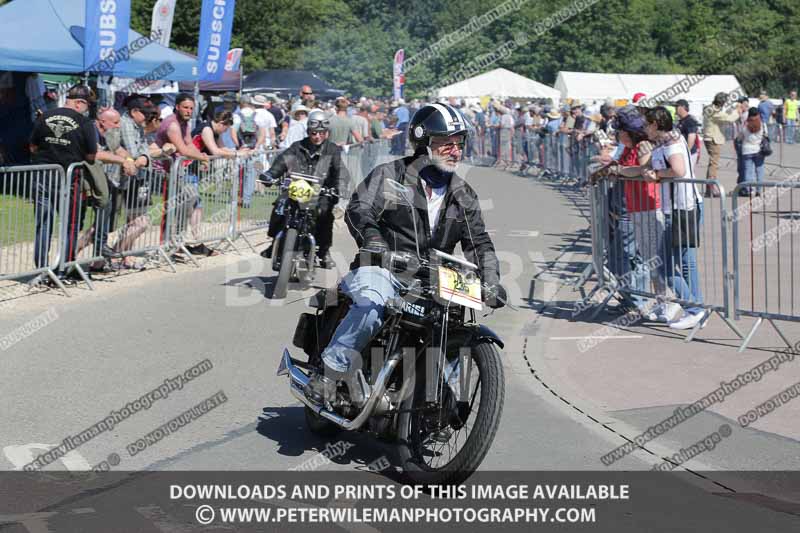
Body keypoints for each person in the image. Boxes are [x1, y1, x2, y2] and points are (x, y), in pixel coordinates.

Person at [304, 102, 507, 404]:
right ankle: (330, 372)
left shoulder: (462, 194)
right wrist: (376, 244)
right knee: (372, 304)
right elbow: (359, 209)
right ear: (424, 144)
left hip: (433, 281)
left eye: (459, 143)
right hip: (383, 269)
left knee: (456, 325)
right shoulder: (390, 175)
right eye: (446, 143)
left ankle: (440, 398)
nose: (456, 150)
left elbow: (479, 242)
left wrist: (490, 279)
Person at [259, 109, 348, 269]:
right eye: (314, 133)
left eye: (321, 133)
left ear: (326, 133)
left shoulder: (332, 150)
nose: (317, 136)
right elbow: (282, 161)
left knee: (324, 214)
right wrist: (270, 174)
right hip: (297, 188)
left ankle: (323, 251)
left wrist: (339, 187)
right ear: (308, 131)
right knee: (280, 206)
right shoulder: (298, 146)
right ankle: (275, 243)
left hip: (321, 191)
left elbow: (340, 171)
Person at [642, 106, 706, 330]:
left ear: (656, 124)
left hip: (683, 208)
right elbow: (648, 167)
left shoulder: (671, 143)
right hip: (679, 208)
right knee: (683, 263)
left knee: (667, 266)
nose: (644, 128)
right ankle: (697, 310)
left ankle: (695, 309)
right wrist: (622, 170)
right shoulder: (665, 142)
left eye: (646, 124)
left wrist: (656, 175)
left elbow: (678, 170)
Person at [30, 85, 98, 279]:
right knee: (70, 226)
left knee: (43, 225)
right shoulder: (85, 123)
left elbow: (33, 147)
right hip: (70, 181)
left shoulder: (45, 116)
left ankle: (41, 269)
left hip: (42, 177)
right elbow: (92, 156)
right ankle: (62, 270)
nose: (88, 110)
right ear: (80, 102)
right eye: (87, 105)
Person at [154, 93, 213, 256]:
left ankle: (176, 241)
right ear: (178, 107)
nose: (188, 111)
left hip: (177, 170)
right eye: (185, 107)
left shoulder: (184, 123)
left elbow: (189, 144)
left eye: (191, 108)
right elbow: (183, 149)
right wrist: (201, 157)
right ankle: (165, 245)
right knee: (170, 208)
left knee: (189, 200)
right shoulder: (172, 124)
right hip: (164, 171)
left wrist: (203, 158)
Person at [702, 92, 738, 197]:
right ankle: (711, 189)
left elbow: (724, 115)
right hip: (714, 139)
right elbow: (729, 118)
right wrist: (738, 111)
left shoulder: (710, 109)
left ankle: (710, 189)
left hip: (709, 137)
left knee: (712, 164)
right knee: (713, 164)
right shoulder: (714, 111)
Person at [738, 107, 767, 197]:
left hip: (746, 150)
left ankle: (749, 190)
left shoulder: (745, 124)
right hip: (758, 149)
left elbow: (740, 137)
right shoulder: (762, 124)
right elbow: (766, 135)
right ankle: (759, 190)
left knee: (748, 171)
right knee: (760, 170)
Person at [674, 99, 700, 168]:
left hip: (689, 153)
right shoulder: (682, 120)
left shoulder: (689, 120)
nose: (675, 108)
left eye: (676, 106)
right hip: (682, 152)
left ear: (682, 107)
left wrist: (686, 152)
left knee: (687, 175)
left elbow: (691, 137)